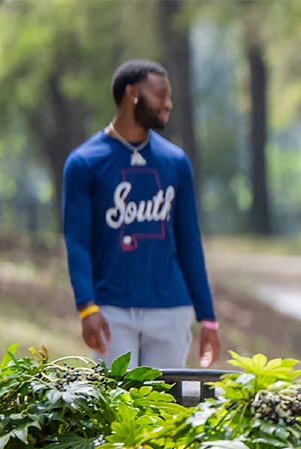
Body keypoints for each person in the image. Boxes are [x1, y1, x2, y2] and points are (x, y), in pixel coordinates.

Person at [63, 59, 222, 369]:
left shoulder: (175, 162)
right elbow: (76, 242)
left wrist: (208, 318)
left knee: (164, 411)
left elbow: (189, 242)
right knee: (119, 411)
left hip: (170, 310)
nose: (168, 103)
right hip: (112, 311)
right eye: (160, 94)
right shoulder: (84, 163)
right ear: (132, 93)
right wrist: (86, 307)